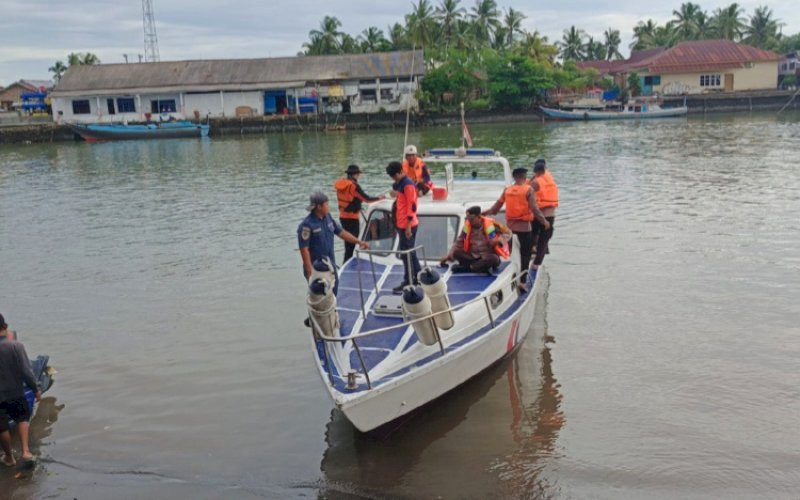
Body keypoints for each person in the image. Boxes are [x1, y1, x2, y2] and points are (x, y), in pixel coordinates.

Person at [483, 167, 550, 291]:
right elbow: (535, 209)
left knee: (509, 253)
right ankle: (522, 282)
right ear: (524, 178)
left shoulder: (507, 190)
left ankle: (507, 278)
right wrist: (544, 221)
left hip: (510, 228)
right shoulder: (528, 190)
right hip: (525, 228)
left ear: (514, 177)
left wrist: (483, 213)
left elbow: (495, 208)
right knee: (526, 254)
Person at [297, 191, 369, 298]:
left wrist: (359, 241)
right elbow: (304, 249)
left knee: (334, 293)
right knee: (320, 298)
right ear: (319, 207)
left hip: (330, 265)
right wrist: (309, 271)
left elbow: (341, 233)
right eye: (326, 204)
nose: (328, 206)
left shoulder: (328, 218)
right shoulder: (306, 225)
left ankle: (333, 313)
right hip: (317, 268)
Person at [0, 313, 41, 468]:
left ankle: (9, 457)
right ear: (5, 327)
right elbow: (26, 371)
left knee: (2, 427)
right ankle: (25, 451)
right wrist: (35, 389)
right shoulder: (16, 346)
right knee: (22, 418)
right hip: (15, 391)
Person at [334, 164, 385, 262]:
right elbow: (367, 199)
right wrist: (380, 198)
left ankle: (345, 263)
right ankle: (349, 264)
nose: (359, 176)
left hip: (343, 217)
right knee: (353, 243)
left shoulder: (342, 184)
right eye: (358, 174)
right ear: (355, 174)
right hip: (352, 218)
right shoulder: (354, 186)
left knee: (348, 244)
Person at [440, 206, 511, 274]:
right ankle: (479, 268)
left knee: (494, 259)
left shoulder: (492, 224)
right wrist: (448, 257)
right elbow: (459, 242)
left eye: (472, 219)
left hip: (488, 256)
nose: (470, 221)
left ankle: (468, 268)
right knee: (456, 253)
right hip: (473, 257)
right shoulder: (467, 227)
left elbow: (508, 233)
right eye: (468, 219)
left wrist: (499, 240)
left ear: (479, 217)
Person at [386, 161, 421, 293]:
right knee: (407, 254)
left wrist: (407, 227)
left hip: (408, 225)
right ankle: (413, 278)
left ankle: (413, 279)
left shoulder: (407, 185)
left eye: (394, 175)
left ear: (400, 172)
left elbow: (412, 206)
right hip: (402, 224)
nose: (393, 178)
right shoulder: (401, 183)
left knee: (408, 254)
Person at [529, 159, 559, 270]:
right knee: (544, 239)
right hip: (551, 214)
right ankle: (537, 263)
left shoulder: (536, 182)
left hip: (539, 214)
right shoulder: (549, 177)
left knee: (533, 235)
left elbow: (526, 191)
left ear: (536, 171)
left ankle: (531, 252)